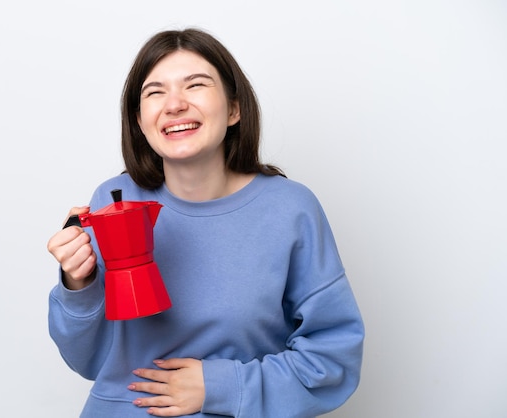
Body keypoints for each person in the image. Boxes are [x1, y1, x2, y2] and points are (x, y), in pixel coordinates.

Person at [47, 28, 364, 418]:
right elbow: (88, 360)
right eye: (155, 92)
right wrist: (78, 284)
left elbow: (334, 360)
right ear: (141, 121)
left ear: (234, 108)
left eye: (195, 85)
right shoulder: (112, 201)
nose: (174, 104)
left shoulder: (290, 209)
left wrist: (219, 386)